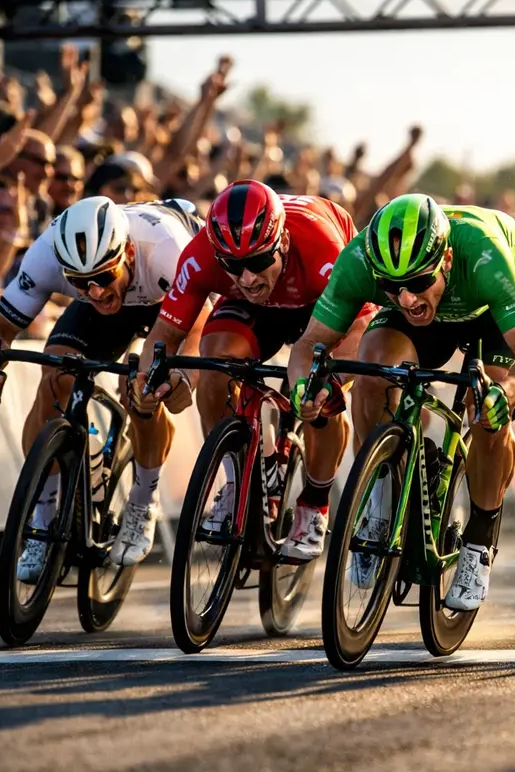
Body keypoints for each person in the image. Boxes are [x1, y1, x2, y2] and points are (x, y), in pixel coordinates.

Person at [288, 193, 515, 611]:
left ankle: (480, 544)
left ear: (445, 259)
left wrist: (508, 394)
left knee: (487, 405)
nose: (407, 298)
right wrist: (303, 389)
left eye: (416, 283)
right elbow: (308, 345)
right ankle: (378, 492)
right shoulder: (361, 259)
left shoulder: (483, 255)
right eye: (393, 288)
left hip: (489, 301)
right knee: (373, 364)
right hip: (444, 303)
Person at [0, 195, 206, 581]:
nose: (94, 291)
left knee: (142, 386)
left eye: (102, 278)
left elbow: (194, 328)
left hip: (171, 300)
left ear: (125, 251)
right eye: (79, 284)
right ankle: (42, 519)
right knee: (55, 376)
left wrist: (180, 378)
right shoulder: (48, 253)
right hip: (119, 300)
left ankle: (143, 499)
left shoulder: (165, 247)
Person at [137, 180, 373, 562]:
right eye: (233, 266)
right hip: (255, 311)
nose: (247, 277)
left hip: (320, 303)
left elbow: (359, 334)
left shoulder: (321, 245)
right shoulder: (201, 256)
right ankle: (235, 479)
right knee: (215, 367)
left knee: (322, 392)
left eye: (258, 262)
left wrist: (325, 384)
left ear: (281, 242)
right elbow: (162, 338)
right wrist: (148, 384)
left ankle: (314, 505)